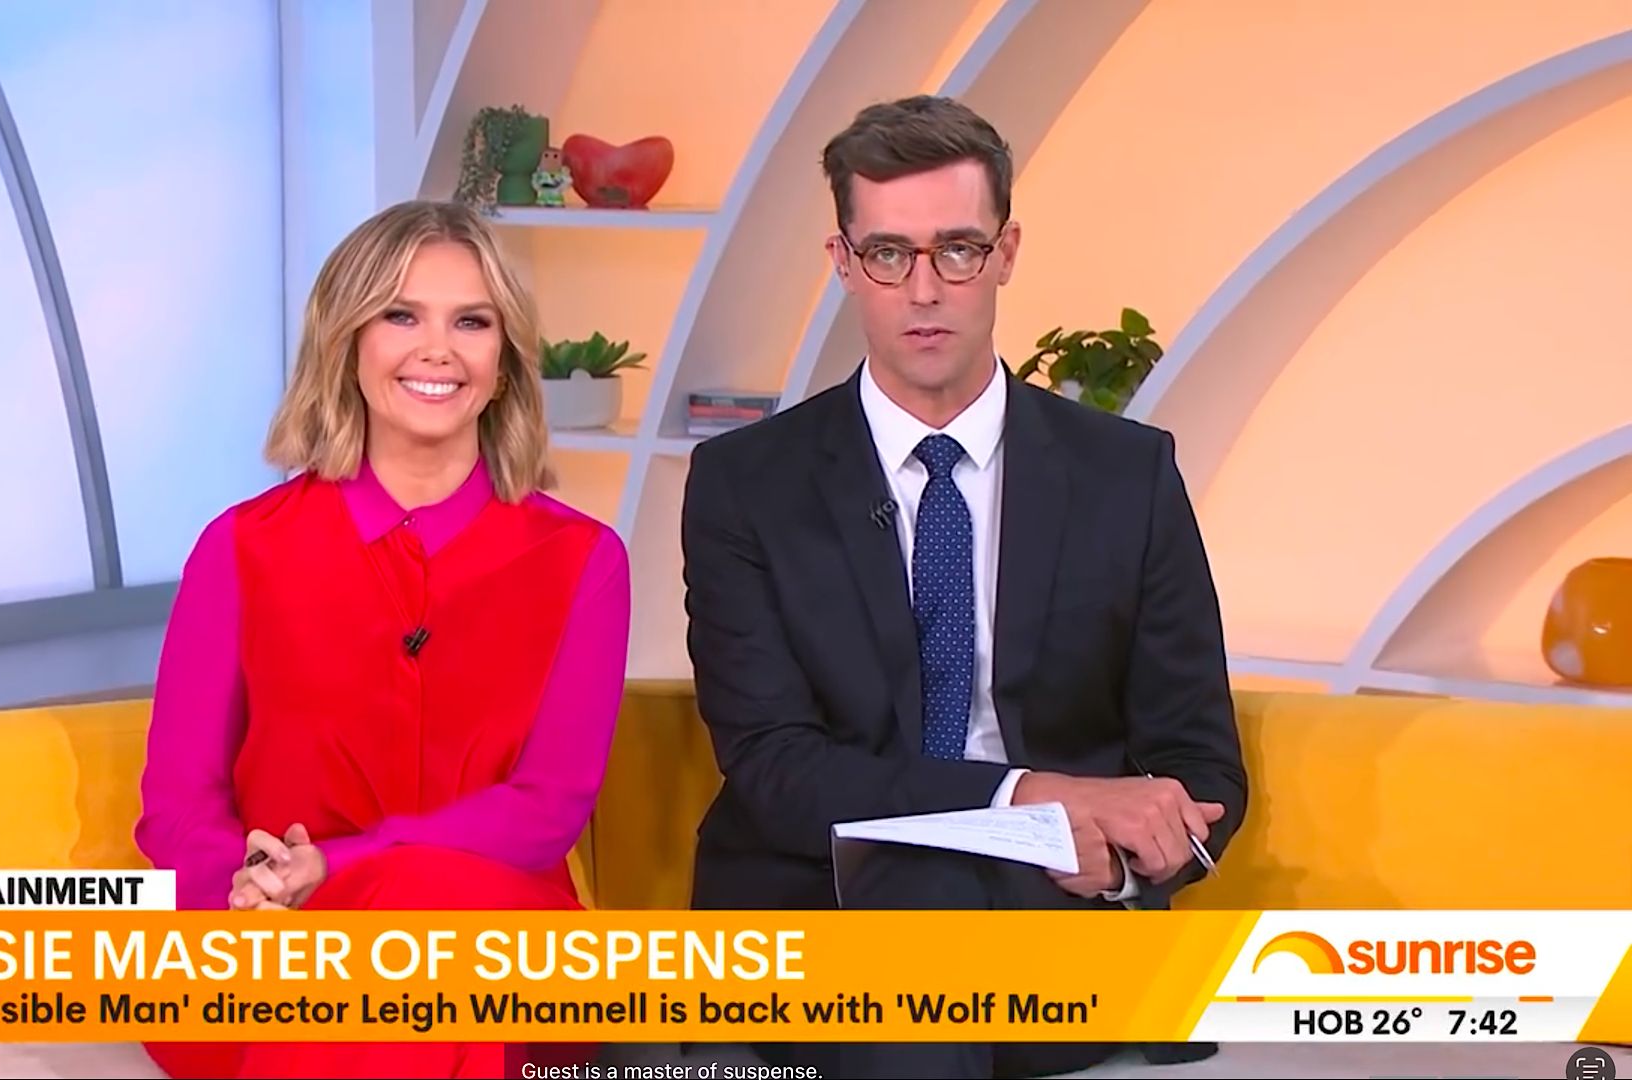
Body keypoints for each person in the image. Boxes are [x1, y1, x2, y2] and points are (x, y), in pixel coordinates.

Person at [679, 95, 1247, 1079]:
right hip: (823, 900)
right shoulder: (747, 484)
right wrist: (1027, 800)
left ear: (1006, 251)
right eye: (888, 254)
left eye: (957, 250)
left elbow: (1197, 762)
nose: (924, 290)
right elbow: (775, 767)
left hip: (1053, 906)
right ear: (843, 261)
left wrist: (1120, 855)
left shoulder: (1127, 476)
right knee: (920, 924)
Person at [134, 199, 630, 1079]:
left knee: (430, 909)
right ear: (347, 342)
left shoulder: (583, 561)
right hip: (266, 945)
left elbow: (547, 810)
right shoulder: (242, 548)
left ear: (504, 361)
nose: (438, 349)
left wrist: (339, 866)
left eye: (471, 322)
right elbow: (177, 801)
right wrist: (251, 889)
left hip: (502, 949)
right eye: (401, 316)